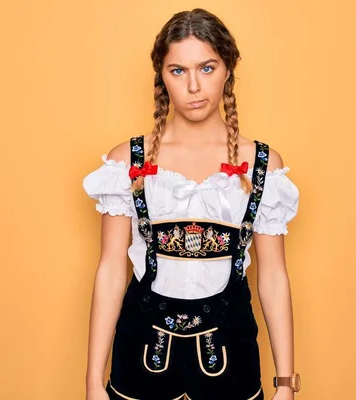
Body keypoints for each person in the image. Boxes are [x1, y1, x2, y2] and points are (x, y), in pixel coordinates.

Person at [83, 8, 300, 400]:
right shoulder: (127, 162)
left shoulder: (263, 164)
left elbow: (273, 277)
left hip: (233, 363)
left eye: (207, 67)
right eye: (178, 71)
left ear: (228, 70)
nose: (194, 86)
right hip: (139, 363)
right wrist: (92, 383)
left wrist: (286, 384)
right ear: (162, 77)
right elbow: (111, 270)